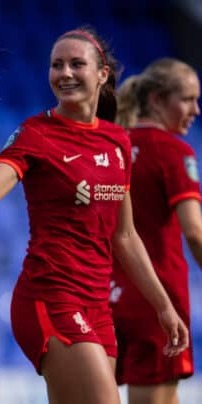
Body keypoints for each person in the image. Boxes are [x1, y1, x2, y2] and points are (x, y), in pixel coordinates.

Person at [0, 27, 190, 404]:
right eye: (56, 65)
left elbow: (125, 237)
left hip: (97, 306)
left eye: (76, 64)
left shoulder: (117, 140)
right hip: (49, 297)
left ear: (102, 74)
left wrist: (164, 306)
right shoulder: (36, 133)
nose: (65, 73)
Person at [110, 58, 202, 404]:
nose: (195, 109)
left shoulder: (113, 146)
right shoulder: (175, 152)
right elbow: (195, 232)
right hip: (159, 301)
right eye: (188, 99)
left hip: (109, 296)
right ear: (157, 100)